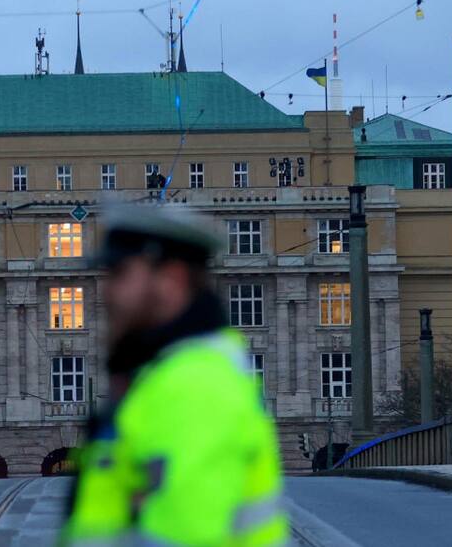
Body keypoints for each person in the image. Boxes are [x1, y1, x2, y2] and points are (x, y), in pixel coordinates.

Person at [63, 206, 288, 546]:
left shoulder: (194, 386)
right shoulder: (161, 376)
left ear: (171, 279)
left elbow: (186, 535)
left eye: (120, 274)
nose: (106, 292)